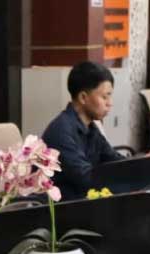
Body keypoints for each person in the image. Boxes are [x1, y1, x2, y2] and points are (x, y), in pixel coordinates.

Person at [42, 61, 124, 201]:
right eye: (104, 97)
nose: (109, 103)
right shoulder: (61, 132)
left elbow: (114, 160)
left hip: (83, 200)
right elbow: (87, 179)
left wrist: (146, 161)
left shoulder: (90, 127)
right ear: (83, 98)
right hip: (66, 207)